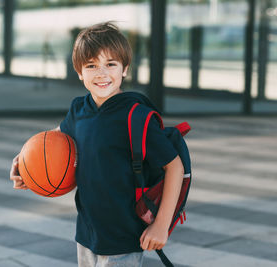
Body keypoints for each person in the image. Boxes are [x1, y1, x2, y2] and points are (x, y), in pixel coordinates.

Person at [10, 21, 184, 267]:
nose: (101, 73)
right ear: (80, 72)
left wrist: (161, 226)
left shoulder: (136, 116)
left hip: (124, 238)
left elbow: (174, 167)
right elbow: (52, 141)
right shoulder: (79, 110)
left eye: (110, 64)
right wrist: (23, 164)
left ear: (124, 69)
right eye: (91, 66)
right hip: (87, 234)